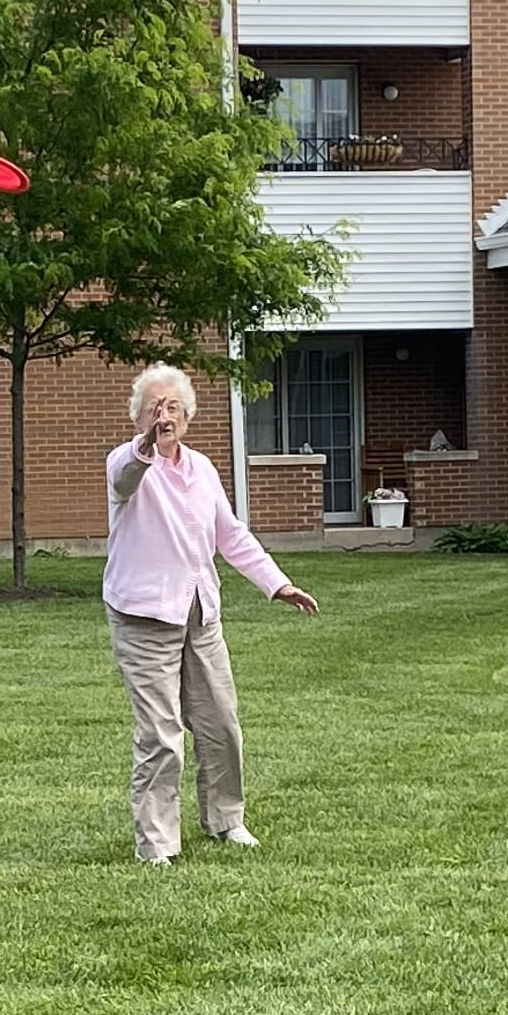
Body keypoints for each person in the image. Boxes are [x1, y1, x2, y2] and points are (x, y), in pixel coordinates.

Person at [103, 363, 316, 863]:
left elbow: (231, 535)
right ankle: (156, 845)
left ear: (188, 415)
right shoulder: (126, 462)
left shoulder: (202, 468)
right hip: (143, 617)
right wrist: (146, 446)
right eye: (154, 408)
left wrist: (277, 584)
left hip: (201, 614)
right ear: (139, 417)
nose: (164, 416)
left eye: (173, 407)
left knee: (221, 723)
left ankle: (226, 819)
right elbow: (125, 476)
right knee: (162, 735)